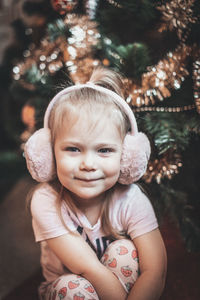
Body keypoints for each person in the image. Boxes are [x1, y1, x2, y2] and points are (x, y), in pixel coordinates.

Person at [24, 67, 167, 300]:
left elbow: (155, 272)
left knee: (125, 252)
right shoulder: (45, 200)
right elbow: (89, 269)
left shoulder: (132, 199)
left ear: (126, 156)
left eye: (104, 150)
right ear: (50, 154)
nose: (88, 164)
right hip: (68, 288)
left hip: (118, 284)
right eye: (73, 149)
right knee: (72, 287)